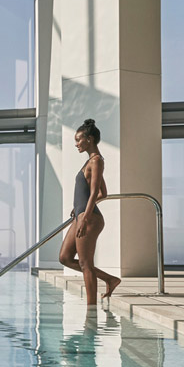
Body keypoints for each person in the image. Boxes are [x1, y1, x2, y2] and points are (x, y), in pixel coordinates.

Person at [58, 118, 121, 305]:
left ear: (90, 139)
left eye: (79, 140)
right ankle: (110, 279)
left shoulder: (96, 161)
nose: (76, 144)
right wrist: (80, 207)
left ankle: (91, 310)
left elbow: (95, 192)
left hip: (89, 218)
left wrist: (85, 217)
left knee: (86, 264)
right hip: (82, 215)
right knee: (65, 258)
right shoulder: (90, 162)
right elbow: (104, 193)